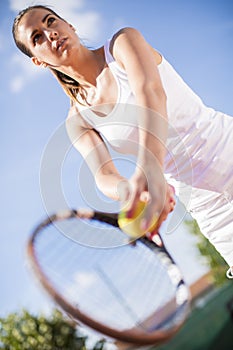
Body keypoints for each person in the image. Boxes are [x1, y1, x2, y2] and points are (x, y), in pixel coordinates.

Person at [12, 5, 233, 278]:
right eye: (37, 37)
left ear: (70, 25)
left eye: (51, 22)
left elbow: (151, 95)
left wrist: (148, 170)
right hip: (212, 211)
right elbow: (103, 175)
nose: (50, 34)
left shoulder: (122, 44)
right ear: (38, 60)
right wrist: (128, 189)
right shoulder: (78, 120)